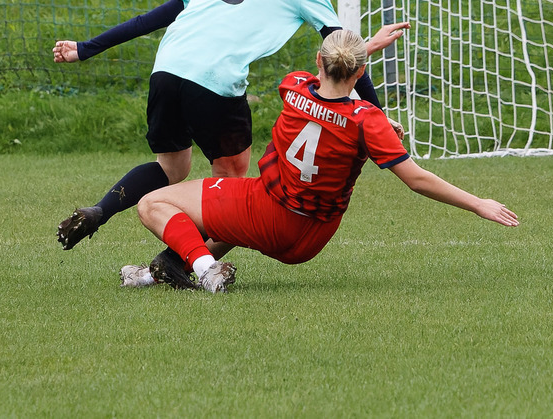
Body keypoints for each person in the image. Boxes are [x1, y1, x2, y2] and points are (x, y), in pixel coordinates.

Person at [53, 0, 409, 251]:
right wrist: (375, 113)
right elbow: (342, 48)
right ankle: (183, 259)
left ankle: (100, 210)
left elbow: (155, 17)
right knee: (233, 178)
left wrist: (86, 48)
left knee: (171, 168)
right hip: (214, 76)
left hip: (167, 67)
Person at [120, 29, 519, 293]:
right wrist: (479, 203)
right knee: (229, 216)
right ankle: (156, 273)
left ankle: (207, 273)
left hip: (269, 211)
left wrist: (363, 51)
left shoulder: (293, 86)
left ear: (318, 61)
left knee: (154, 203)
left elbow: (322, 92)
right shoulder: (368, 122)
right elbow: (417, 180)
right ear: (360, 71)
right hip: (312, 235)